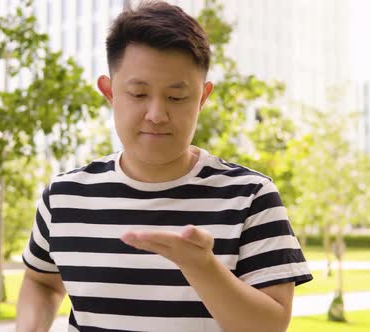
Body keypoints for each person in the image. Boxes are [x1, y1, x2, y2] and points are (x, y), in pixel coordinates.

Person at [16, 2, 312, 331]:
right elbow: (41, 282)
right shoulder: (63, 197)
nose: (156, 114)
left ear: (202, 98)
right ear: (110, 92)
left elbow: (270, 326)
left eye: (176, 97)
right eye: (139, 93)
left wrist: (201, 268)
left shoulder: (252, 197)